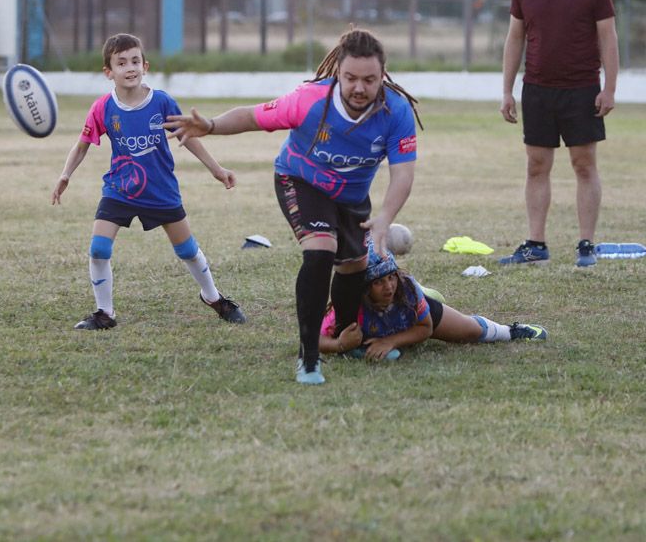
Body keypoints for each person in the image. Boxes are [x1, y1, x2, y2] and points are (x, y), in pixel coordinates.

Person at [165, 29, 421, 385]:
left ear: (383, 75)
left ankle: (347, 341)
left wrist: (385, 219)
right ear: (338, 74)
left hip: (351, 196)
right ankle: (309, 357)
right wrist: (210, 125)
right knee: (319, 251)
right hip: (299, 181)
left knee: (354, 267)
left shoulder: (397, 111)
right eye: (350, 78)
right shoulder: (310, 100)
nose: (359, 88)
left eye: (369, 79)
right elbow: (253, 117)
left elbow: (403, 174)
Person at [51, 33, 246, 330]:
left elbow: (187, 137)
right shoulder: (103, 108)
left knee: (187, 250)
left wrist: (216, 169)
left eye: (135, 61)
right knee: (99, 249)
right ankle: (105, 313)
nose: (130, 68)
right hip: (120, 188)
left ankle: (213, 296)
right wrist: (65, 174)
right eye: (121, 63)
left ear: (145, 66)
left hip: (160, 190)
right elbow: (82, 145)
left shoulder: (162, 102)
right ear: (108, 72)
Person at [499, 0, 619, 268]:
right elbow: (514, 39)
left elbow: (608, 39)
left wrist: (609, 88)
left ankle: (586, 245)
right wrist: (507, 90)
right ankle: (536, 244)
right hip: (536, 89)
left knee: (584, 165)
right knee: (536, 166)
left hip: (582, 90)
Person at [319, 240, 547, 362]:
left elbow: (425, 327)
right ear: (364, 287)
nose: (388, 287)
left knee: (471, 332)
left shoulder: (404, 288)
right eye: (379, 283)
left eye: (391, 278)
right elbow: (312, 339)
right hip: (386, 319)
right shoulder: (349, 306)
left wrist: (391, 342)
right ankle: (428, 295)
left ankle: (511, 330)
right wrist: (340, 345)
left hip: (410, 316)